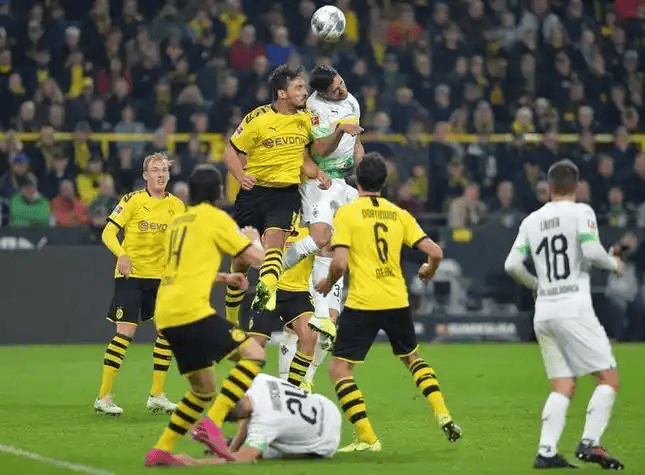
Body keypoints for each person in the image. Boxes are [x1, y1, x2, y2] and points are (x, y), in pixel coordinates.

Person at [315, 153, 462, 452]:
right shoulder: (398, 214)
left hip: (363, 302)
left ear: (357, 180)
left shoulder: (347, 214)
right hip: (396, 298)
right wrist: (428, 270)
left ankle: (368, 437)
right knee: (413, 358)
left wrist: (327, 283)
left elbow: (339, 263)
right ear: (384, 182)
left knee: (339, 370)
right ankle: (442, 412)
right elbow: (435, 252)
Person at [504, 159, 625, 470]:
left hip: (544, 311)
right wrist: (614, 264)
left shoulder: (531, 220)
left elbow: (512, 265)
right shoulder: (581, 212)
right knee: (608, 379)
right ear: (577, 186)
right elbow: (591, 251)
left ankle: (546, 452)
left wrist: (535, 284)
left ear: (549, 187)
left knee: (563, 385)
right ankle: (590, 443)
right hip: (573, 307)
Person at [145, 164, 267, 467]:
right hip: (192, 311)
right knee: (254, 355)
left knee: (202, 390)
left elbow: (183, 269)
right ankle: (211, 424)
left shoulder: (177, 223)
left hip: (166, 313)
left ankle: (161, 450)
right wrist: (254, 238)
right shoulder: (215, 218)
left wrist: (225, 278)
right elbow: (255, 258)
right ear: (219, 193)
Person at [222, 65, 330, 322]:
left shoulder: (306, 119)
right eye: (298, 87)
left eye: (304, 87)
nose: (305, 92)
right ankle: (232, 316)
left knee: (274, 244)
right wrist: (241, 175)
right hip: (254, 194)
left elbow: (304, 159)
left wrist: (317, 173)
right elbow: (230, 153)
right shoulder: (257, 118)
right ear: (282, 93)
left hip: (285, 194)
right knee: (242, 260)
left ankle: (265, 295)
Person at [280, 65, 364, 381]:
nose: (342, 89)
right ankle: (277, 267)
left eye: (342, 82)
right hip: (320, 180)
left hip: (345, 183)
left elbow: (356, 143)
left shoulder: (352, 101)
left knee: (343, 247)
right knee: (321, 239)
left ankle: (307, 376)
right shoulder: (313, 109)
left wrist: (363, 172)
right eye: (336, 88)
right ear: (322, 92)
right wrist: (340, 130)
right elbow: (318, 150)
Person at [94, 153, 185, 416]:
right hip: (131, 275)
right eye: (155, 170)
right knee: (126, 333)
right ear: (145, 175)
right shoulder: (132, 200)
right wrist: (121, 254)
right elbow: (108, 232)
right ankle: (103, 397)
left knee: (167, 333)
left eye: (164, 170)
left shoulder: (177, 206)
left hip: (161, 278)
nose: (160, 174)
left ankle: (157, 395)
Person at [168, 374, 341, 465]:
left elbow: (244, 459)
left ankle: (231, 444)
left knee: (264, 451)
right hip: (327, 406)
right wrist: (232, 449)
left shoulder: (265, 421)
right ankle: (230, 444)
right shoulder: (260, 380)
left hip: (325, 441)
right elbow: (247, 415)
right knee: (259, 437)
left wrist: (194, 462)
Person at [247, 217, 321, 391]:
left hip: (298, 292)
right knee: (255, 346)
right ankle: (247, 392)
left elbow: (327, 250)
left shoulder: (312, 224)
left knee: (309, 338)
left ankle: (291, 390)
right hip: (271, 288)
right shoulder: (272, 219)